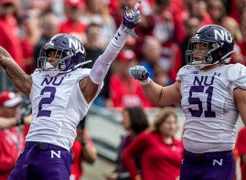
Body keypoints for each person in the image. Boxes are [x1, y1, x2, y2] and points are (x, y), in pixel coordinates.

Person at [0, 1, 141, 179]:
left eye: (56, 55)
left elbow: (104, 61)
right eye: (50, 54)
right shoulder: (38, 78)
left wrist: (123, 31)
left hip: (56, 152)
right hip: (28, 151)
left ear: (73, 58)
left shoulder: (82, 81)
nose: (50, 59)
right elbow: (6, 61)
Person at [128, 24, 246, 180]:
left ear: (220, 49)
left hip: (218, 161)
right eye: (197, 46)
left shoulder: (233, 75)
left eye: (203, 47)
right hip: (190, 160)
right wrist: (145, 81)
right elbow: (161, 96)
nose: (197, 51)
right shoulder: (188, 73)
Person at [122, 107, 183, 180]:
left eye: (174, 123)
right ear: (160, 123)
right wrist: (135, 176)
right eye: (168, 123)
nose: (172, 127)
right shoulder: (148, 137)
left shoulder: (179, 144)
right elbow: (127, 154)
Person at [105, 106, 149, 180]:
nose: (122, 121)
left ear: (134, 118)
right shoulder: (126, 140)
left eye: (125, 117)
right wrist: (114, 173)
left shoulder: (143, 142)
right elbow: (121, 165)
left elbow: (143, 170)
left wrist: (120, 177)